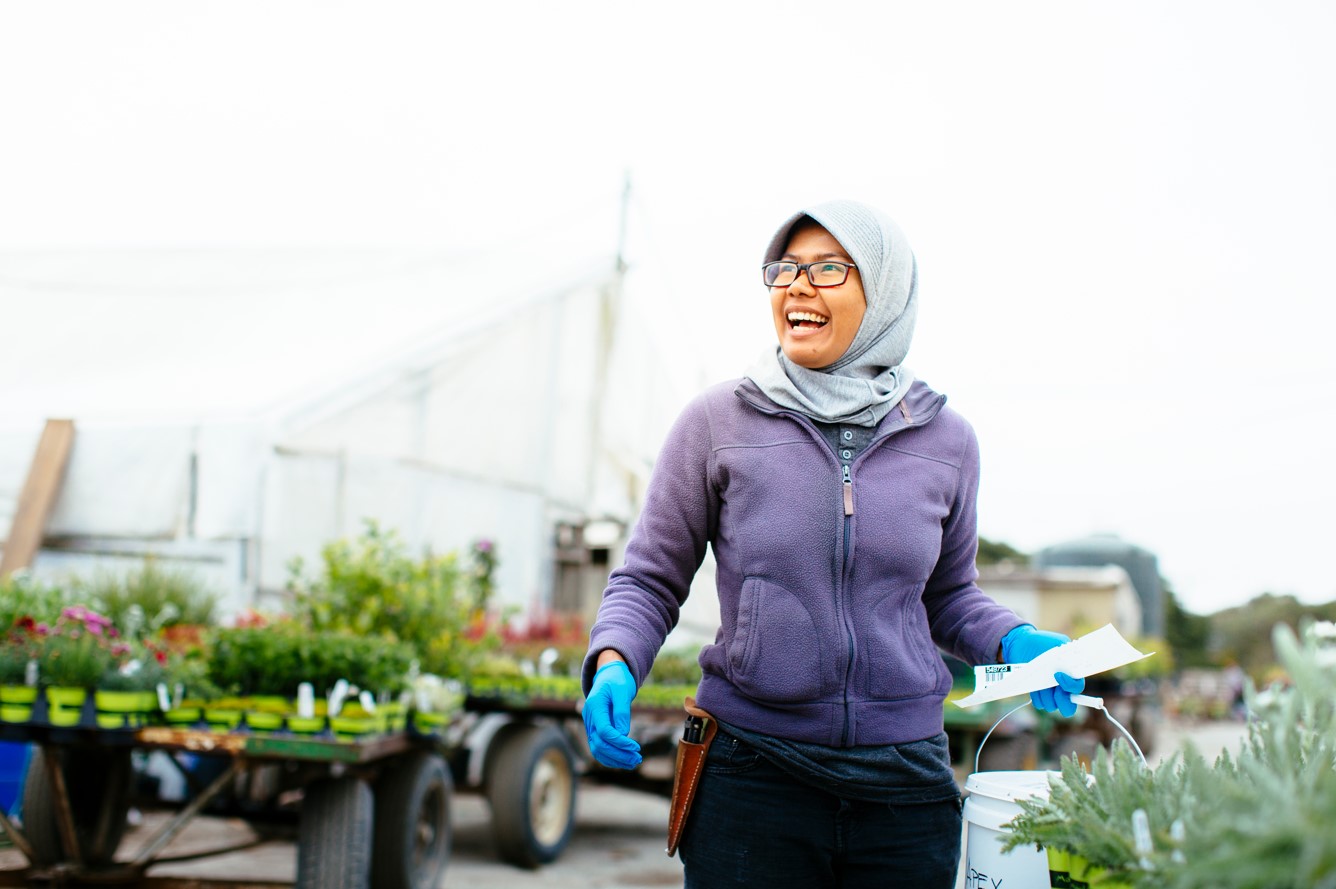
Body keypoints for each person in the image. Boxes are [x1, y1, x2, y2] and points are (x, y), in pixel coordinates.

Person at [581, 199, 1084, 888]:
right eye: (784, 268)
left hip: (904, 783)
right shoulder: (717, 421)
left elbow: (950, 595)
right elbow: (650, 577)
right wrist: (614, 659)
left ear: (883, 293)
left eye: (826, 268)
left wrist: (1015, 640)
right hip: (752, 773)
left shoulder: (947, 441)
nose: (797, 285)